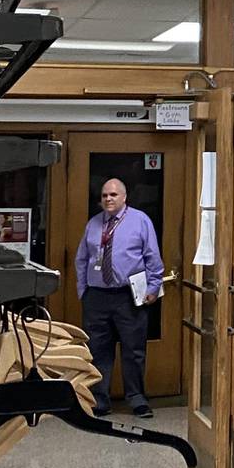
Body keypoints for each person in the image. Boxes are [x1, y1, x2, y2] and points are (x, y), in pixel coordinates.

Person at [74, 178, 163, 418]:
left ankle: (136, 399)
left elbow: (152, 257)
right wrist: (83, 290)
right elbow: (82, 258)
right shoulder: (93, 224)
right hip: (97, 297)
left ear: (124, 197)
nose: (108, 199)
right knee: (97, 349)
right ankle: (99, 399)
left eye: (113, 194)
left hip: (128, 296)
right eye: (104, 195)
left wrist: (153, 287)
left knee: (133, 350)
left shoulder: (140, 221)